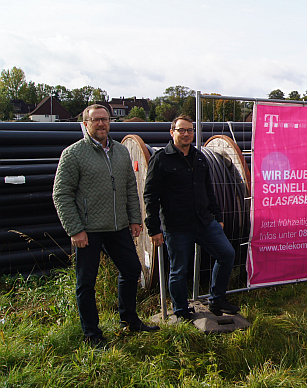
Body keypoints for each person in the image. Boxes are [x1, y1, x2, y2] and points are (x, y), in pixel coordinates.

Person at [53, 104, 159, 345]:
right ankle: (92, 334)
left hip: (118, 227)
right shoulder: (73, 154)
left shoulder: (121, 152)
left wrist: (134, 219)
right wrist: (75, 229)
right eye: (95, 120)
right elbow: (61, 194)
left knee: (132, 270)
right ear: (86, 124)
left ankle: (129, 320)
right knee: (86, 282)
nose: (101, 124)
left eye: (105, 119)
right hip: (88, 230)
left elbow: (130, 189)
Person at [143, 115, 238, 320]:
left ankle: (216, 299)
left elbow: (208, 189)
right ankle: (180, 310)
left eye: (189, 130)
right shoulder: (161, 159)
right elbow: (150, 195)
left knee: (227, 254)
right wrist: (154, 229)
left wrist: (218, 216)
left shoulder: (200, 157)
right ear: (172, 132)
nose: (186, 134)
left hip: (204, 222)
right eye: (181, 130)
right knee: (179, 270)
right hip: (177, 226)